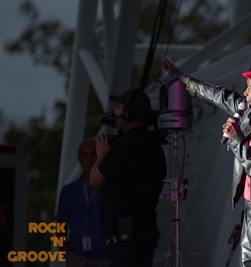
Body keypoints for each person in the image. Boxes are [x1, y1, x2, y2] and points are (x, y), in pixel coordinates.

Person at [162, 57, 251, 267]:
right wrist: (185, 80)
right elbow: (219, 96)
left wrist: (236, 140)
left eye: (249, 88)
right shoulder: (250, 111)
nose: (245, 93)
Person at [90, 88, 167, 267]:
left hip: (126, 238)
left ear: (128, 112)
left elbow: (95, 179)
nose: (115, 112)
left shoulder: (126, 145)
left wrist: (102, 154)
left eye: (118, 107)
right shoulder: (153, 143)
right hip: (145, 231)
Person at [55, 139, 109, 267]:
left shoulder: (107, 189)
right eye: (85, 155)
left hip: (103, 257)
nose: (89, 158)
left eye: (93, 154)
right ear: (79, 159)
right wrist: (66, 255)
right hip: (77, 256)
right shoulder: (69, 191)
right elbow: (61, 227)